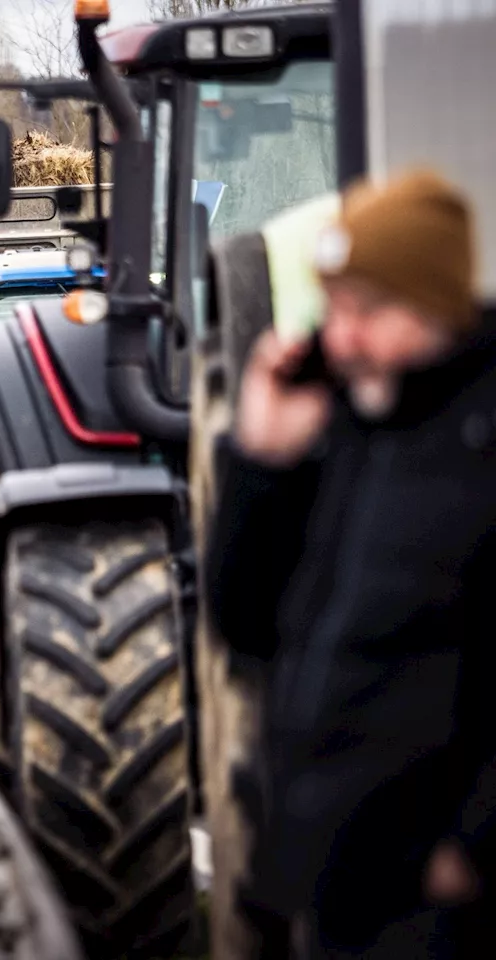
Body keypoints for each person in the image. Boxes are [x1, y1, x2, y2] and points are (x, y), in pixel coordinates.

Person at [207, 169, 495, 958]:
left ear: (436, 303)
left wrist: (467, 858)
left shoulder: (478, 442)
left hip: (435, 907)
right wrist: (262, 463)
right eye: (334, 309)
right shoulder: (352, 432)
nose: (341, 339)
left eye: (368, 312)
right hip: (326, 884)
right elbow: (247, 624)